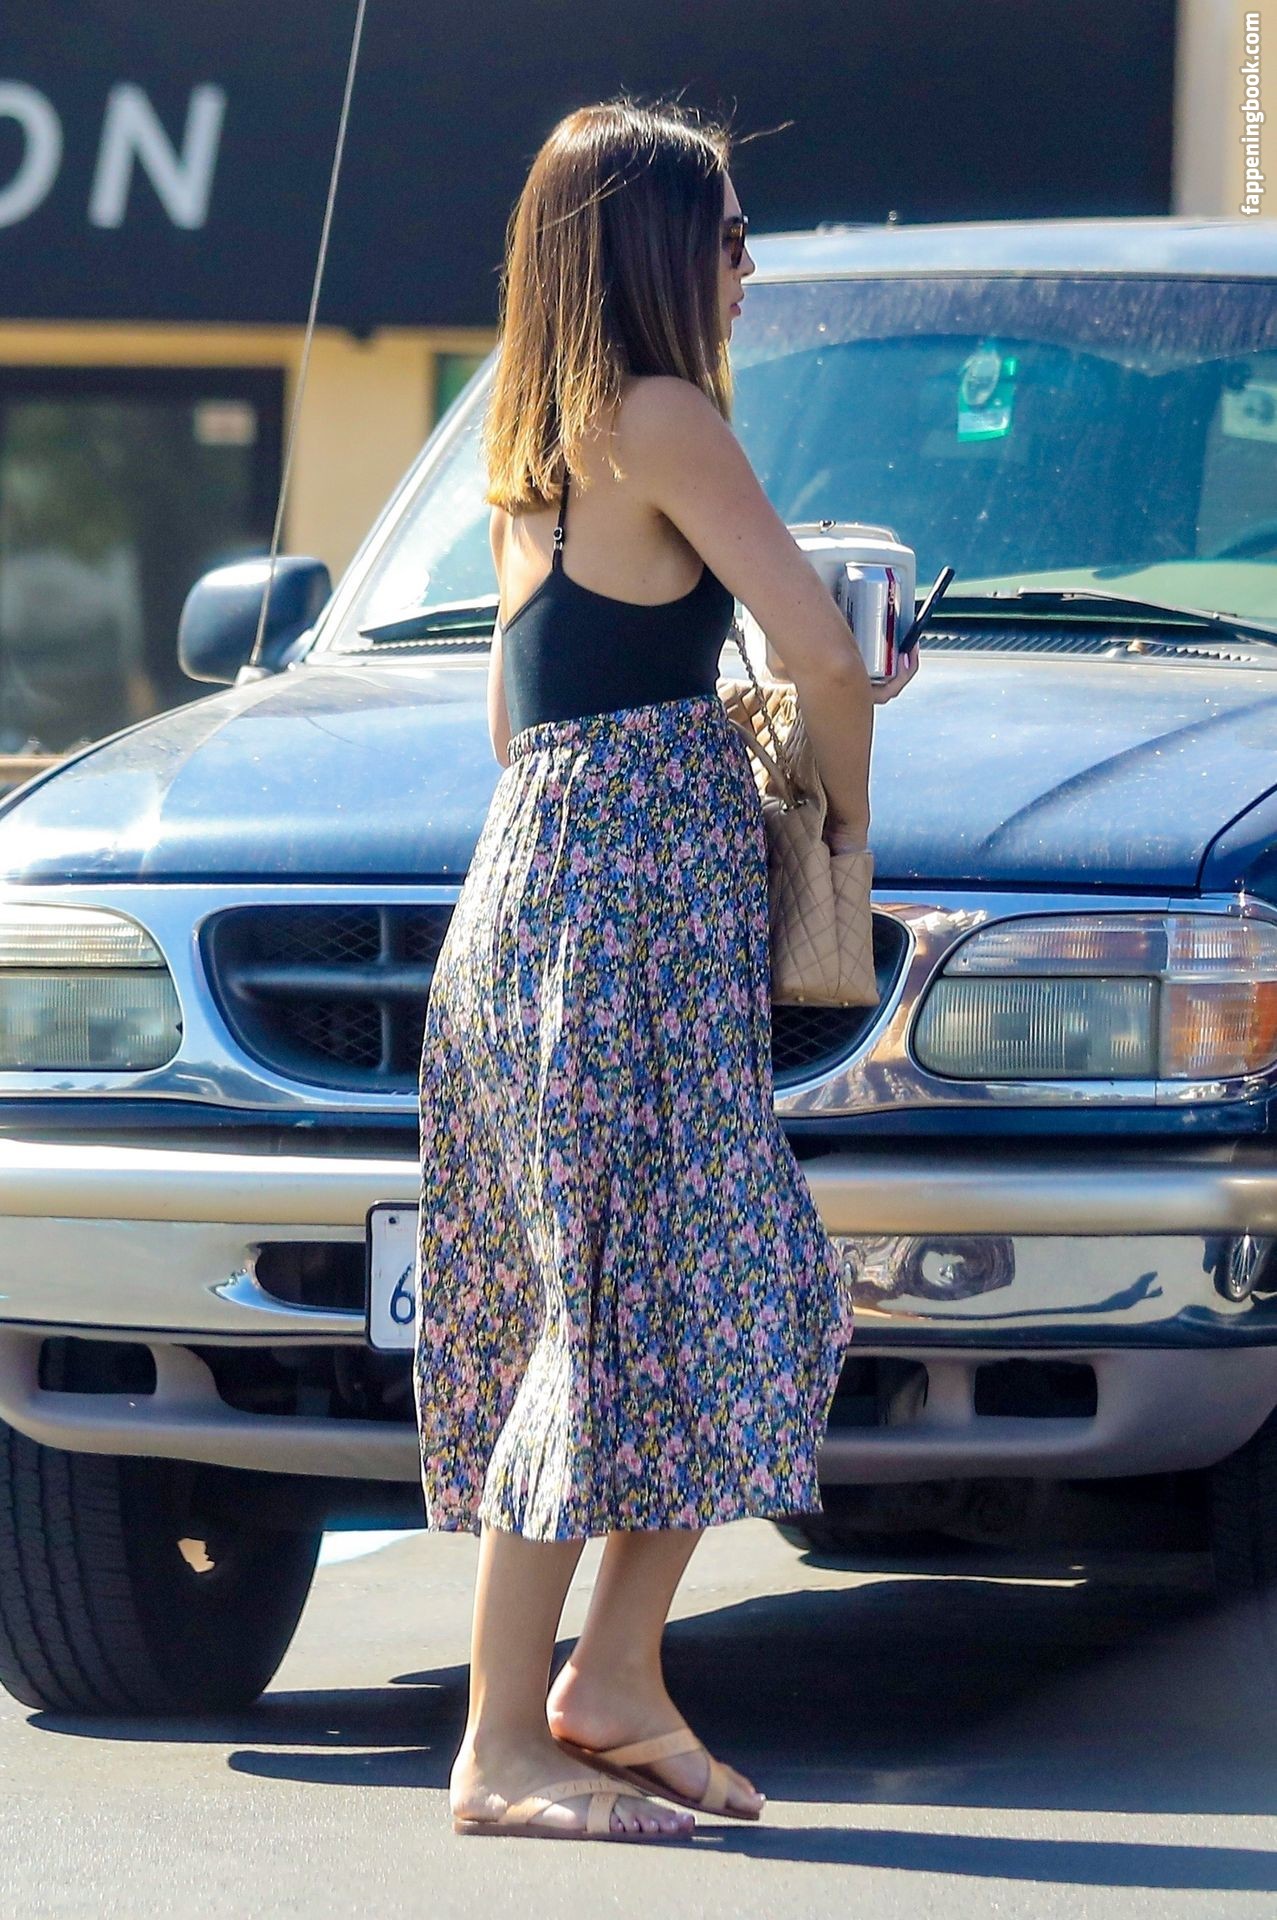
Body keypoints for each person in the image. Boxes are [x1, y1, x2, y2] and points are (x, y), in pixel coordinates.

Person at [412, 97, 919, 1844]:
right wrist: (839, 831)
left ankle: (610, 1680)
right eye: (725, 234)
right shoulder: (662, 415)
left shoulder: (533, 441)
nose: (745, 263)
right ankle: (502, 1741)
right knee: (629, 1308)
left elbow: (518, 724)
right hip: (626, 911)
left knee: (723, 1290)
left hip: (535, 892)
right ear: (651, 249)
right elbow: (822, 658)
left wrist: (717, 712)